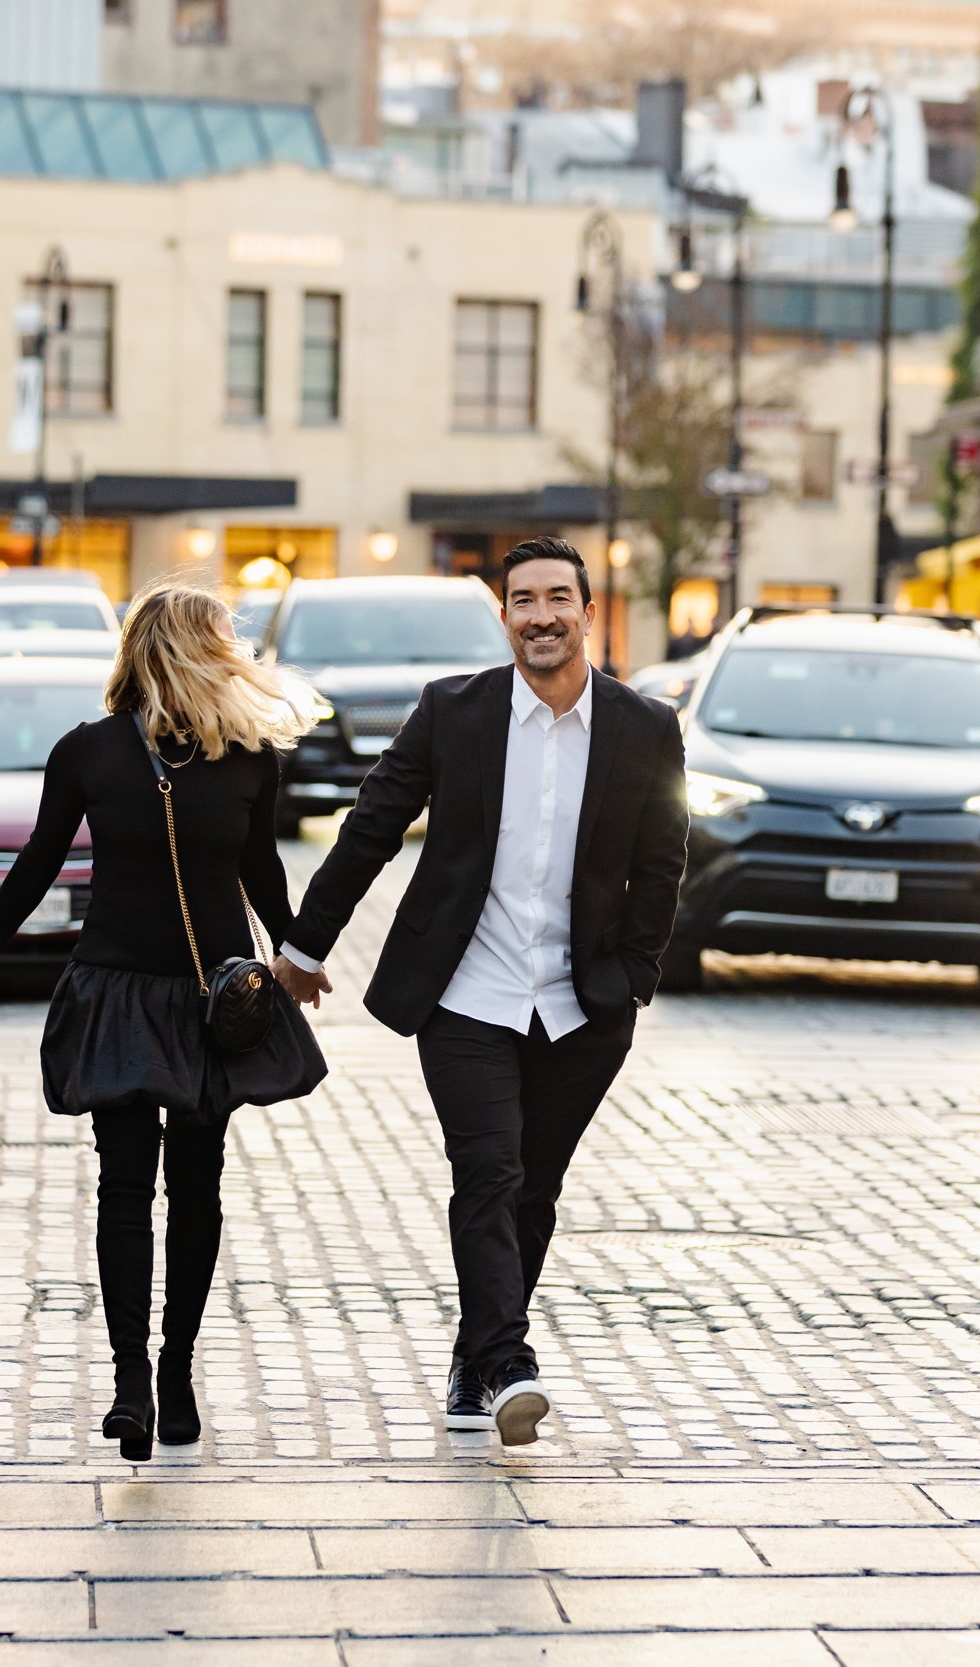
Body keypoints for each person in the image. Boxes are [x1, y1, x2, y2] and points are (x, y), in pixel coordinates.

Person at [273, 537, 689, 1447]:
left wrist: (634, 979)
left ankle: (474, 1351)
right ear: (503, 615)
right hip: (467, 988)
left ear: (589, 611)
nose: (541, 615)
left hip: (584, 1004)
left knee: (534, 1188)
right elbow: (373, 822)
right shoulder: (452, 712)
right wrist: (305, 945)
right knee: (489, 1170)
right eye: (523, 600)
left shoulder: (645, 728)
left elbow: (663, 865)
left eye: (558, 598)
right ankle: (509, 1362)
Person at [0, 582, 320, 1462]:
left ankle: (171, 1368)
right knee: (130, 1187)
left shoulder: (251, 757)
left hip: (213, 1000)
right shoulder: (88, 753)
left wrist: (298, 953)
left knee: (191, 1186)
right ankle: (133, 1379)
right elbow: (37, 863)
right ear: (196, 651)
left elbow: (264, 874)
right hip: (118, 993)